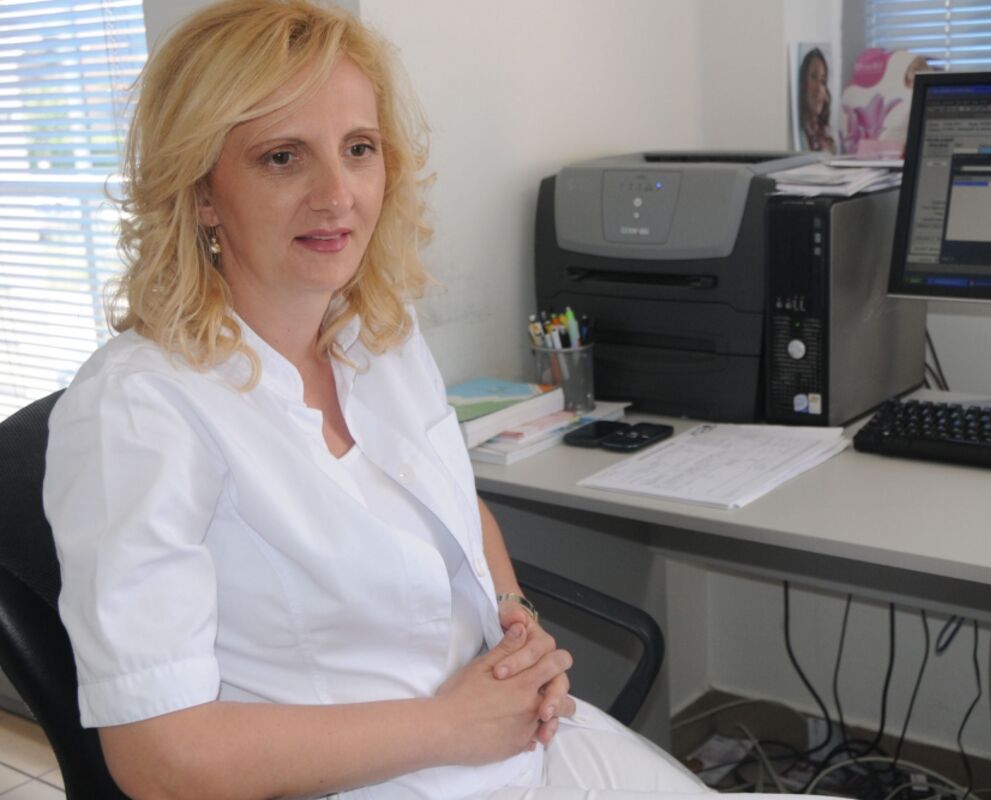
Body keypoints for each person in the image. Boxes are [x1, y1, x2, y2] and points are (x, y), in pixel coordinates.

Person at [42, 2, 821, 798]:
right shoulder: (138, 411)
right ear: (203, 190)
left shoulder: (377, 333)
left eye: (359, 149)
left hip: (509, 746)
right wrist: (449, 726)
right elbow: (159, 758)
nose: (337, 194)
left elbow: (456, 505)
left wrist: (514, 619)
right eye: (282, 157)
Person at [798, 47, 835, 153]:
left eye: (823, 81)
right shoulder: (800, 133)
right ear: (803, 82)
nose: (819, 89)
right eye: (813, 77)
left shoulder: (827, 137)